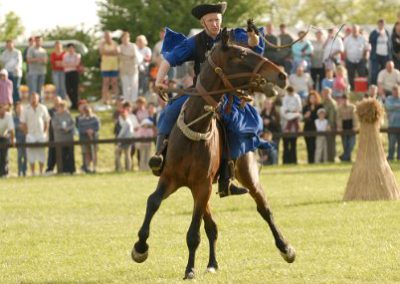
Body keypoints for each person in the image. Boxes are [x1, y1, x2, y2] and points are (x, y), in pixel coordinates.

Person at [150, 2, 264, 197]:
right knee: (169, 111)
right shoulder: (194, 42)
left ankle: (227, 178)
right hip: (199, 92)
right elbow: (169, 59)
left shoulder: (233, 36)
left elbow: (253, 44)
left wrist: (253, 34)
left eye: (217, 20)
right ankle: (159, 157)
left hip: (227, 94)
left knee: (234, 127)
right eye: (210, 20)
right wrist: (159, 80)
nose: (214, 24)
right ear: (203, 23)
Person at [20, 93, 50, 175]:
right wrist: (27, 134)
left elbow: (46, 121)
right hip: (30, 134)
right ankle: (32, 172)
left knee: (42, 153)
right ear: (29, 99)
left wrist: (45, 133)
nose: (34, 100)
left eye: (35, 98)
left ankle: (41, 171)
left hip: (41, 134)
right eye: (32, 98)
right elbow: (23, 123)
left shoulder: (43, 108)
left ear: (38, 99)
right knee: (31, 153)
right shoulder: (25, 109)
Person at [51, 100, 75, 174]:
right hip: (59, 138)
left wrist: (68, 128)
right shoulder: (55, 116)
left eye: (63, 107)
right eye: (59, 107)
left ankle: (71, 170)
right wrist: (62, 128)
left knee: (70, 154)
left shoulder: (68, 115)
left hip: (68, 138)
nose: (61, 108)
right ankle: (62, 170)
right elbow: (54, 125)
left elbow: (73, 124)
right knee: (61, 155)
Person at [344, 25, 370, 90]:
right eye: (353, 30)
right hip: (350, 60)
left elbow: (367, 49)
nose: (354, 31)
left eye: (355, 30)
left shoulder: (363, 38)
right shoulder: (347, 39)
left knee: (362, 75)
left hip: (360, 60)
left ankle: (362, 89)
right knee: (351, 76)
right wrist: (346, 60)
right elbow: (344, 50)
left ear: (358, 30)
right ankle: (353, 89)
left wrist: (365, 59)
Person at [280, 86, 302, 164]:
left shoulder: (297, 97)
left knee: (293, 144)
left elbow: (299, 107)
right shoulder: (285, 98)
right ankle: (285, 161)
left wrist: (294, 112)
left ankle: (294, 160)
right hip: (286, 124)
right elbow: (285, 110)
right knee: (285, 145)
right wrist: (290, 112)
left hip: (294, 126)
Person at [119, 32, 143, 103]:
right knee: (125, 85)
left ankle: (134, 101)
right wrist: (129, 57)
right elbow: (120, 56)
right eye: (123, 38)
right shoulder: (120, 47)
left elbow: (136, 56)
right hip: (124, 69)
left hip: (133, 68)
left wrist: (125, 56)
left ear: (128, 38)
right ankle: (127, 101)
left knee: (134, 85)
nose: (125, 39)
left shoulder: (133, 46)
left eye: (126, 37)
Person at [77, 105, 100, 173]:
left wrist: (92, 131)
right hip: (84, 138)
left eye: (88, 111)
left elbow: (98, 127)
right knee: (87, 153)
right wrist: (86, 131)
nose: (87, 112)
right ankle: (87, 168)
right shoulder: (81, 120)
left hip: (94, 138)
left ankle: (95, 167)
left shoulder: (95, 118)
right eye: (86, 111)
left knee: (94, 153)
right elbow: (80, 129)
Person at [99, 31, 120, 105]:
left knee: (114, 83)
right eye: (105, 36)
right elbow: (102, 52)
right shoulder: (102, 43)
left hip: (114, 66)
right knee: (106, 83)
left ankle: (116, 99)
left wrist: (107, 52)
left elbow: (117, 52)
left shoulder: (115, 43)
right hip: (105, 66)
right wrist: (112, 52)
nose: (107, 37)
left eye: (108, 36)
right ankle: (105, 99)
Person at [302, 91, 323, 164]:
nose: (312, 99)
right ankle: (310, 161)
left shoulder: (320, 107)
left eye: (314, 98)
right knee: (308, 146)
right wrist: (305, 116)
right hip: (307, 129)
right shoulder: (306, 107)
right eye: (311, 98)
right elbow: (303, 119)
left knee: (314, 146)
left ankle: (315, 161)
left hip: (316, 128)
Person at [369, 19, 392, 85]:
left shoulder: (387, 32)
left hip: (385, 55)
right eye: (380, 24)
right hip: (376, 55)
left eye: (383, 24)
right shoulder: (374, 32)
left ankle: (383, 85)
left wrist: (389, 55)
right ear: (378, 24)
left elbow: (390, 44)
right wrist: (378, 34)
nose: (381, 25)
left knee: (384, 71)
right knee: (374, 71)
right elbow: (371, 40)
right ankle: (374, 85)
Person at [336, 94, 358, 162]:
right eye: (343, 100)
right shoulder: (339, 108)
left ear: (348, 100)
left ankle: (343, 156)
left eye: (345, 100)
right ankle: (347, 158)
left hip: (351, 125)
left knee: (352, 143)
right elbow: (338, 118)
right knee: (345, 144)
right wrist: (340, 127)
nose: (344, 101)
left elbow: (355, 117)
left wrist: (355, 126)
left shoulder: (352, 107)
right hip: (344, 126)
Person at [115, 104, 137, 171]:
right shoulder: (127, 121)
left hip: (125, 140)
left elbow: (122, 133)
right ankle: (126, 168)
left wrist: (117, 139)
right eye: (121, 113)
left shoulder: (127, 122)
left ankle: (121, 168)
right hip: (127, 140)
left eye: (123, 113)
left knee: (122, 154)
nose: (122, 115)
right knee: (127, 154)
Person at [45, 95, 62, 174]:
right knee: (52, 152)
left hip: (62, 135)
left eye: (58, 102)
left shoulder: (64, 111)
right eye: (55, 101)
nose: (57, 103)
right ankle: (50, 168)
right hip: (52, 135)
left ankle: (62, 168)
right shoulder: (50, 111)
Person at [320, 87, 337, 162]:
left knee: (330, 143)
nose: (324, 95)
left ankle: (331, 159)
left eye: (326, 93)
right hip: (324, 125)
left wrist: (329, 125)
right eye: (323, 93)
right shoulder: (324, 102)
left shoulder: (331, 103)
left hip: (330, 126)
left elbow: (332, 116)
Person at [63, 43, 81, 110]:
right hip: (67, 73)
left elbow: (76, 64)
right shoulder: (65, 55)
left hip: (74, 73)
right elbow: (64, 64)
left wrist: (69, 64)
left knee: (75, 89)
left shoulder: (77, 55)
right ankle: (74, 102)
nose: (71, 50)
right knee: (68, 89)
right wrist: (71, 64)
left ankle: (75, 104)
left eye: (72, 48)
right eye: (69, 48)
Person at [385, 85, 400, 161]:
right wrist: (397, 106)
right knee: (391, 143)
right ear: (392, 92)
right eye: (394, 91)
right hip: (392, 125)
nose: (396, 93)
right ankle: (390, 157)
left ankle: (399, 157)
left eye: (397, 91)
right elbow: (388, 106)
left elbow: (391, 107)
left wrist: (394, 107)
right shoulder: (389, 99)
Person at [0, 104, 15, 177]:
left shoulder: (8, 116)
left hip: (4, 137)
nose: (2, 111)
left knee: (4, 155)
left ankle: (4, 173)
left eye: (3, 109)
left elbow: (11, 130)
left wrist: (12, 141)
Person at [13, 102, 27, 176]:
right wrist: (20, 127)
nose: (19, 110)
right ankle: (19, 171)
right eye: (18, 108)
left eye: (21, 108)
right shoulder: (14, 118)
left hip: (25, 139)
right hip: (18, 139)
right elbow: (13, 127)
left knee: (25, 156)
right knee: (19, 156)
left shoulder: (25, 117)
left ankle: (24, 171)